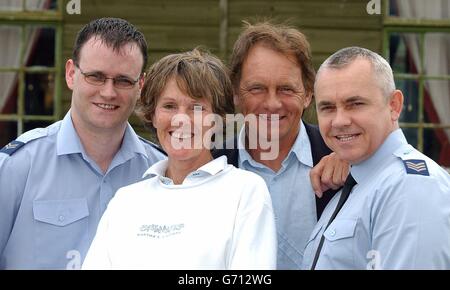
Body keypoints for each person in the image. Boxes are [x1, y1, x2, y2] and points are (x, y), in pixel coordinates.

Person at [82, 48, 277, 270]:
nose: (181, 119)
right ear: (152, 115)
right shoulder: (125, 201)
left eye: (197, 108)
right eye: (169, 106)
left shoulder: (245, 192)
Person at [0, 18, 165, 269]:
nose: (108, 92)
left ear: (140, 86)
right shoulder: (17, 167)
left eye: (123, 80)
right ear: (71, 74)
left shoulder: (161, 172)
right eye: (96, 77)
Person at [212, 22, 348, 269]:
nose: (272, 104)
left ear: (307, 93)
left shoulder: (345, 162)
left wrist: (357, 163)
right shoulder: (209, 167)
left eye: (286, 89)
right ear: (235, 93)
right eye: (257, 88)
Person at [301, 46, 450, 270]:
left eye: (355, 104)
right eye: (328, 108)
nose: (339, 121)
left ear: (394, 106)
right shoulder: (358, 181)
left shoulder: (410, 185)